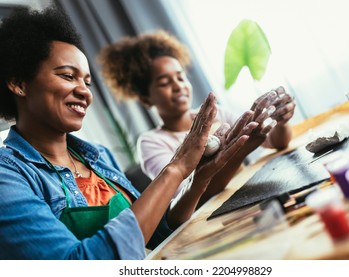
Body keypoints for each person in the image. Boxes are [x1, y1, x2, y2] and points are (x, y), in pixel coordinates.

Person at [0, 6, 260, 260]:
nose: (85, 92)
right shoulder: (8, 176)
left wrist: (198, 180)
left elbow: (155, 234)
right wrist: (177, 167)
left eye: (87, 82)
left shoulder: (99, 157)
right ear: (19, 83)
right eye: (68, 76)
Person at [97, 30, 296, 205]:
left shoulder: (217, 113)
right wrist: (239, 150)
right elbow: (187, 193)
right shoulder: (152, 142)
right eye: (165, 82)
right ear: (146, 99)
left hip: (250, 191)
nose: (178, 86)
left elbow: (275, 142)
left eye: (180, 77)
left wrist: (281, 121)